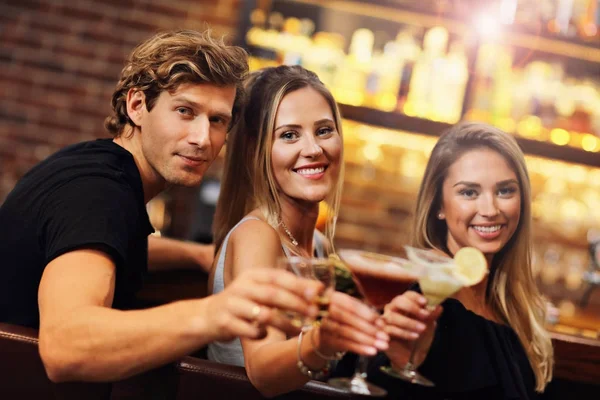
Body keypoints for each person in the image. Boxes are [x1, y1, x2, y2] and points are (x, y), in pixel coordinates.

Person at [0, 30, 325, 383]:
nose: (203, 139)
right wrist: (213, 313)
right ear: (136, 105)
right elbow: (65, 347)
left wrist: (197, 255)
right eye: (185, 111)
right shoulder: (98, 193)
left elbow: (99, 245)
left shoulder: (100, 169)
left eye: (217, 120)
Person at [208, 65, 390, 397]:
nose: (314, 149)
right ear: (255, 151)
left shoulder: (318, 247)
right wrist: (324, 339)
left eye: (324, 130)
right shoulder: (257, 235)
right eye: (289, 134)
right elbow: (262, 370)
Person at [364, 122, 554, 399]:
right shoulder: (421, 297)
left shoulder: (511, 306)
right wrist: (403, 361)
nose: (490, 210)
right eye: (469, 192)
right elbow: (381, 382)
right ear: (438, 204)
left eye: (505, 191)